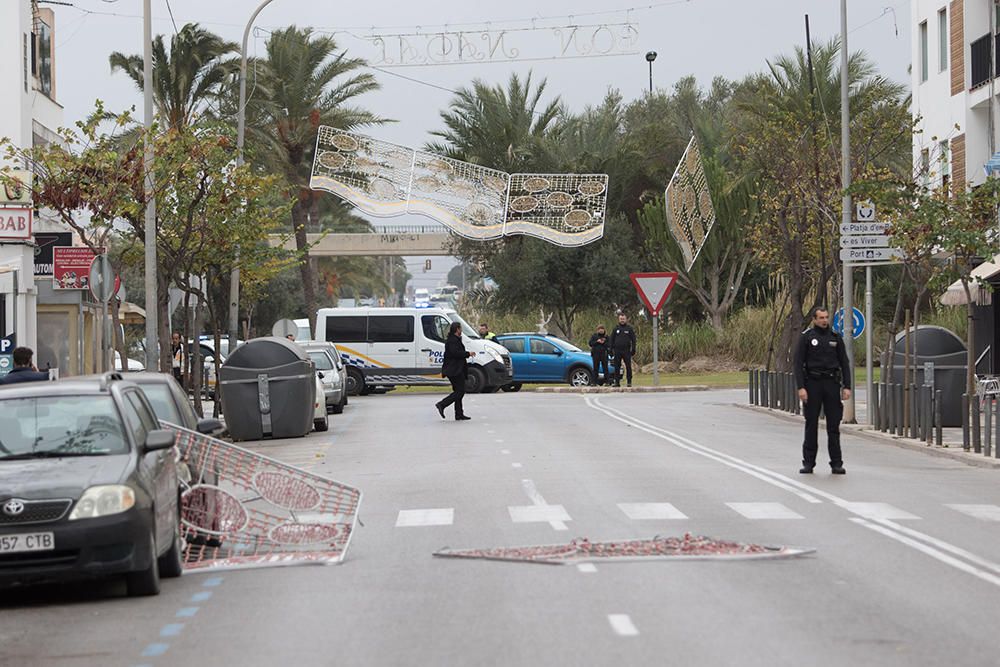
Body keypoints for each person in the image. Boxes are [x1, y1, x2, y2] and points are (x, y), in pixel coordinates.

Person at [793, 306, 851, 475]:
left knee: (833, 426)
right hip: (813, 383)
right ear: (814, 319)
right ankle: (809, 463)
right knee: (811, 424)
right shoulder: (807, 338)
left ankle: (836, 463)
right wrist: (801, 387)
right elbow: (798, 364)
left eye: (826, 317)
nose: (824, 320)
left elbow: (844, 363)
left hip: (831, 383)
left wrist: (847, 386)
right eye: (821, 317)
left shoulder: (835, 338)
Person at [435, 321, 473, 421]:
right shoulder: (452, 340)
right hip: (454, 370)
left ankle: (459, 414)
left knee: (458, 391)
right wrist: (468, 353)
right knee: (460, 391)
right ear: (457, 329)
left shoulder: (455, 339)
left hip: (456, 369)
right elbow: (456, 353)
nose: (461, 331)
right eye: (460, 329)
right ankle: (442, 404)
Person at [609, 313, 637, 387]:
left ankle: (629, 382)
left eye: (623, 319)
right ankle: (617, 382)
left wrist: (633, 349)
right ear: (619, 319)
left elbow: (633, 340)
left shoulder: (629, 329)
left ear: (626, 319)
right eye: (621, 319)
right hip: (617, 351)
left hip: (626, 351)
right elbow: (611, 340)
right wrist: (610, 350)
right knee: (617, 367)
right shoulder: (616, 329)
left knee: (628, 366)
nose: (622, 320)